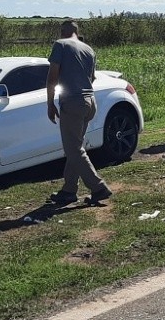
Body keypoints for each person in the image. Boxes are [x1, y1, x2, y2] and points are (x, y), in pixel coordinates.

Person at [46, 20, 112, 205]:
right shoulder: (89, 50)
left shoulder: (60, 45)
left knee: (73, 149)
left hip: (73, 101)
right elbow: (92, 77)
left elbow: (52, 77)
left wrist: (50, 103)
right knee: (75, 148)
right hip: (90, 102)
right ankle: (69, 190)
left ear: (63, 31)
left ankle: (98, 187)